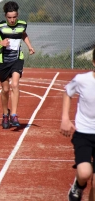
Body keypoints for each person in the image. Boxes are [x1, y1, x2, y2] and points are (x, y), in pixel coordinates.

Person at [0, 1, 35, 129]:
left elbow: (23, 34)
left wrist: (29, 46)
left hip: (17, 59)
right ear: (5, 16)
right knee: (5, 89)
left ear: (17, 15)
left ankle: (14, 114)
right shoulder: (0, 26)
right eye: (9, 17)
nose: (12, 20)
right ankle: (5, 114)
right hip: (3, 61)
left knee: (15, 84)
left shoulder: (22, 24)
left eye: (14, 17)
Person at [60, 48, 95, 201]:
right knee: (84, 173)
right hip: (84, 134)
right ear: (94, 62)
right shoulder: (82, 80)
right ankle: (78, 185)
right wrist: (65, 119)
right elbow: (68, 92)